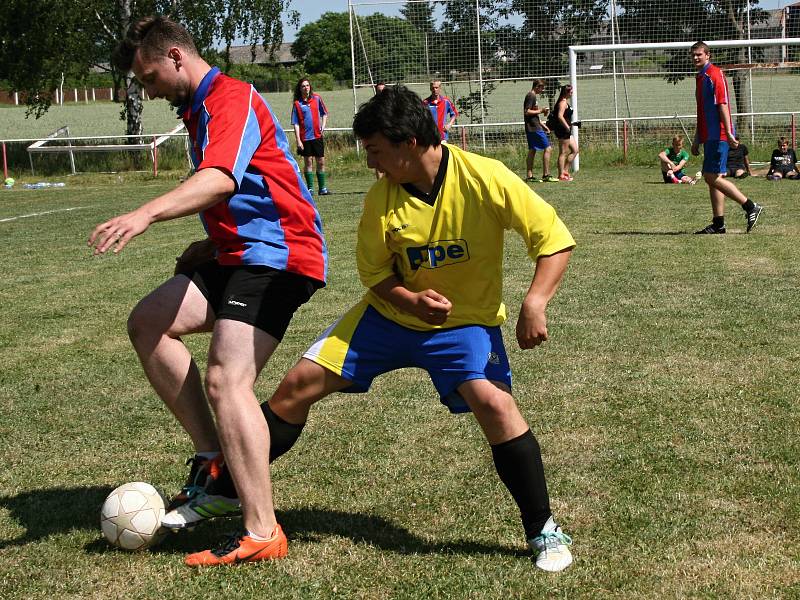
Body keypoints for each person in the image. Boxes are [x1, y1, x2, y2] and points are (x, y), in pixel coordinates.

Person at [177, 85, 577, 572]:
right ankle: (224, 492)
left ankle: (542, 528)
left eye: (375, 152)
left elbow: (553, 238)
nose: (371, 164)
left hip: (464, 324)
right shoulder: (381, 200)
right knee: (294, 389)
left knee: (494, 403)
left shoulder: (484, 178)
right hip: (387, 317)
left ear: (408, 142)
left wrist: (534, 302)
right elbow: (375, 274)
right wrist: (409, 298)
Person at [88, 16, 328, 567]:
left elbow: (222, 177)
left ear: (176, 56)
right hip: (241, 255)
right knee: (149, 322)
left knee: (227, 377)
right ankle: (213, 460)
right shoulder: (197, 110)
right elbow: (243, 194)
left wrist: (146, 212)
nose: (149, 91)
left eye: (149, 78)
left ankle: (261, 530)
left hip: (282, 255)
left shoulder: (230, 97)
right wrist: (210, 246)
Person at [690, 41, 763, 234]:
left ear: (708, 55)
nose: (696, 57)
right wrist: (698, 137)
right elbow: (702, 111)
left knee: (711, 176)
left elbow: (722, 104)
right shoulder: (700, 77)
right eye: (693, 55)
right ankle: (718, 223)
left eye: (699, 54)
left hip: (719, 134)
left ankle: (750, 206)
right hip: (709, 136)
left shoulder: (715, 74)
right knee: (714, 177)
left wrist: (729, 131)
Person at [292, 77, 331, 195]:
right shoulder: (297, 104)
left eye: (307, 85)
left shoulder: (317, 99)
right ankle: (310, 189)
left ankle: (322, 188)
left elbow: (324, 113)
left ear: (310, 87)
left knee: (321, 162)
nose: (306, 88)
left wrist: (322, 127)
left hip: (317, 137)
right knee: (308, 162)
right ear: (300, 89)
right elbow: (296, 123)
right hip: (305, 138)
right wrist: (298, 140)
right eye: (303, 86)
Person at [524, 79, 557, 183]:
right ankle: (546, 175)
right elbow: (527, 111)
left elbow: (535, 114)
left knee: (532, 150)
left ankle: (529, 176)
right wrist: (541, 110)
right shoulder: (531, 95)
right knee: (548, 148)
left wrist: (543, 125)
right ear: (537, 86)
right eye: (542, 88)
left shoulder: (533, 96)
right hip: (533, 128)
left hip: (534, 126)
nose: (542, 90)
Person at [548, 85, 578, 181]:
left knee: (575, 150)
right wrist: (567, 126)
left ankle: (565, 171)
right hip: (563, 130)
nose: (572, 93)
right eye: (571, 91)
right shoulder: (562, 102)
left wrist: (571, 124)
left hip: (567, 130)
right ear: (566, 92)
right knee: (563, 153)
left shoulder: (565, 102)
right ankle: (561, 175)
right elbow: (560, 116)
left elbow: (565, 116)